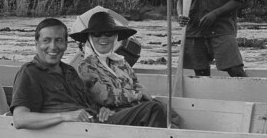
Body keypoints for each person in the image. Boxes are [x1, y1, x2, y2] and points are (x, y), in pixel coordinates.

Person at [11, 17, 172, 130]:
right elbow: (20, 119)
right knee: (152, 109)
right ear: (36, 44)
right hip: (79, 130)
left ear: (66, 44)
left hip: (95, 122)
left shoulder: (69, 71)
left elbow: (90, 104)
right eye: (46, 40)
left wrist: (103, 110)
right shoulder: (30, 72)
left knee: (158, 108)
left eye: (59, 40)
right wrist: (64, 116)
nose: (53, 47)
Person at [70, 10, 171, 127]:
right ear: (90, 38)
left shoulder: (121, 63)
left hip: (130, 111)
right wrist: (138, 94)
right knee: (154, 108)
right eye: (97, 34)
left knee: (165, 109)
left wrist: (140, 93)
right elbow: (106, 97)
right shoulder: (86, 66)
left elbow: (137, 85)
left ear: (115, 37)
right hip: (107, 117)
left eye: (109, 34)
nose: (103, 38)